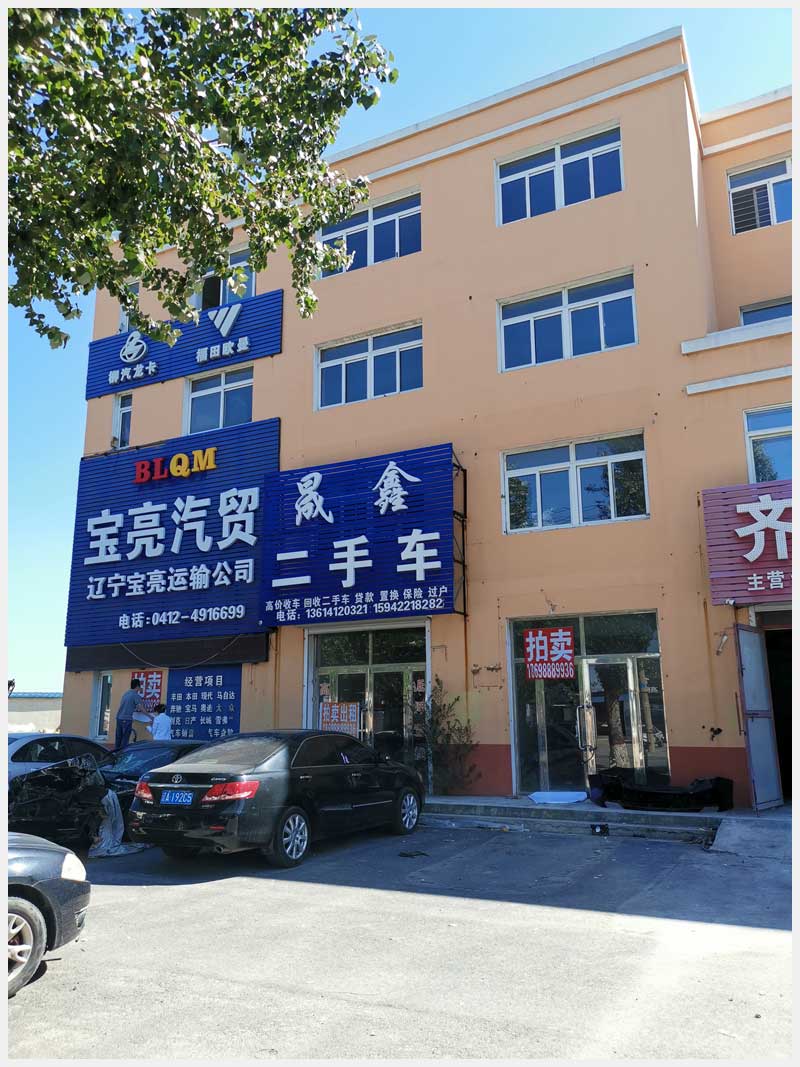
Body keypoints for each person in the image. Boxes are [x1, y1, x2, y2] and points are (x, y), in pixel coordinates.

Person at [114, 678, 145, 749]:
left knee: (118, 738)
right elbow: (141, 708)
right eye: (140, 686)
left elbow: (128, 705)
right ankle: (123, 753)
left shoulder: (126, 694)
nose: (140, 688)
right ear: (137, 686)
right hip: (126, 719)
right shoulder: (135, 695)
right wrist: (150, 716)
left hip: (119, 718)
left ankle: (115, 753)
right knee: (125, 738)